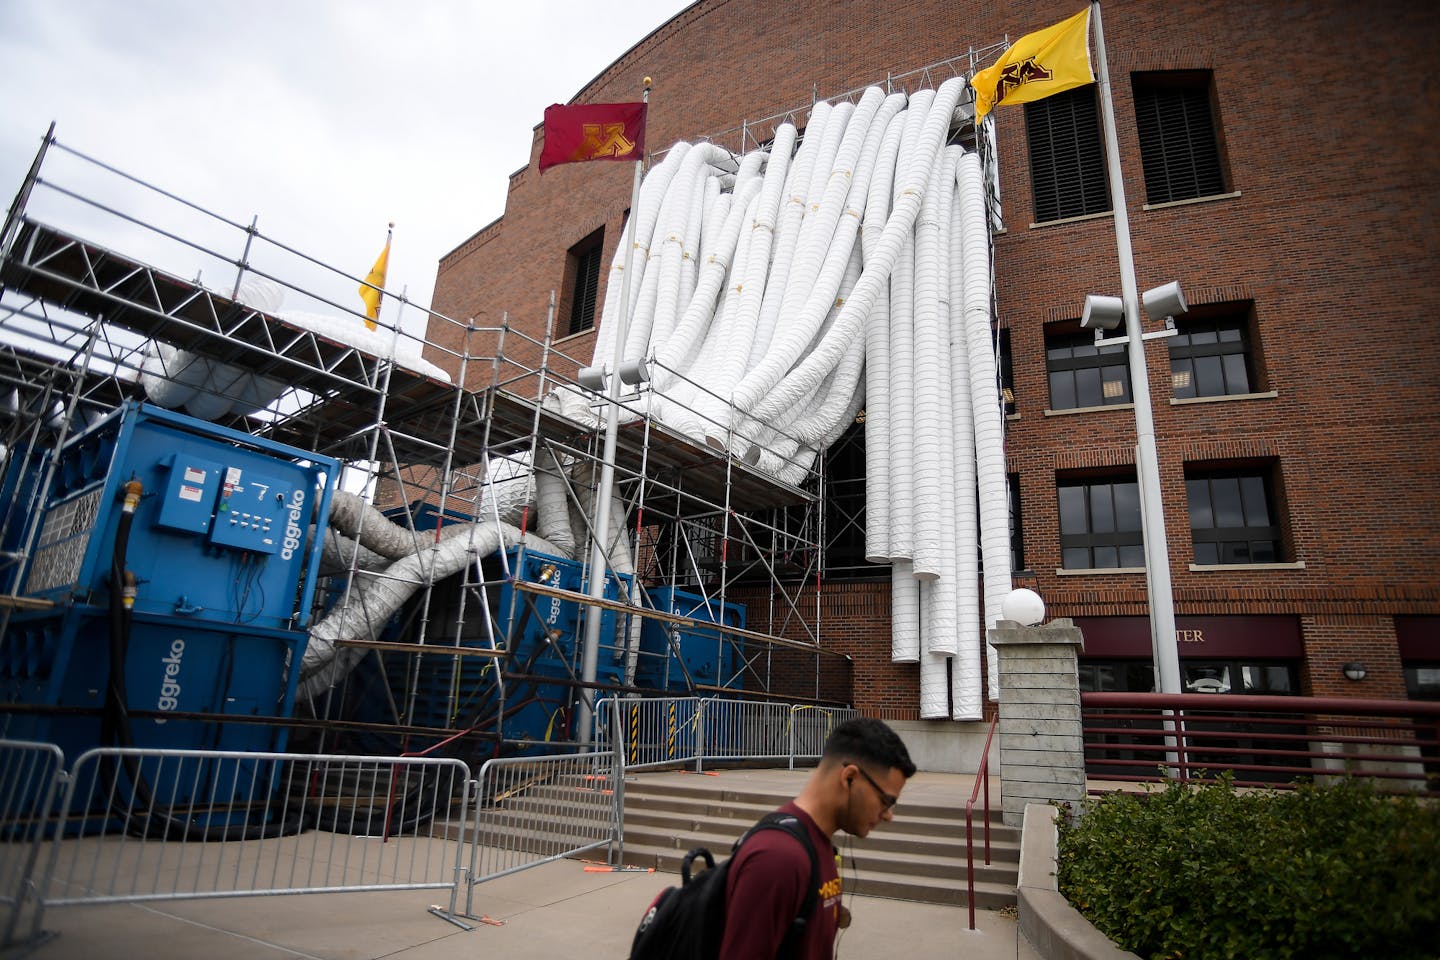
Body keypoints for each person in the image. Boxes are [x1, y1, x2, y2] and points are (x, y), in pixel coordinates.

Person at [718, 717, 915, 959]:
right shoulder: (777, 859)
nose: (888, 815)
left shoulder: (817, 844)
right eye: (887, 801)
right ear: (849, 778)